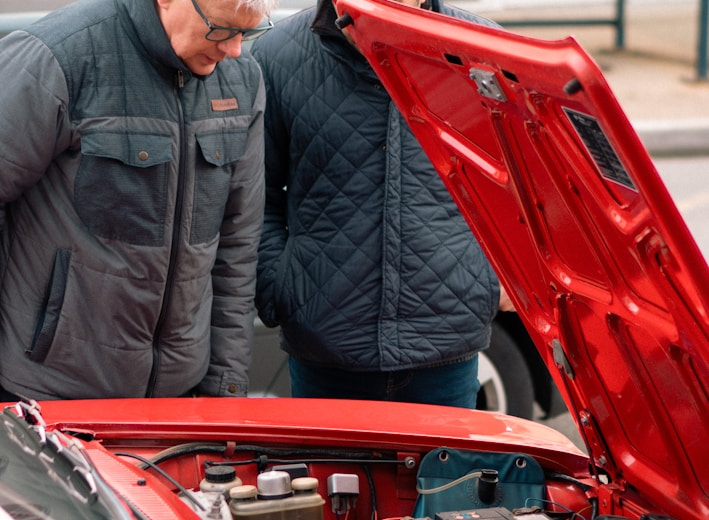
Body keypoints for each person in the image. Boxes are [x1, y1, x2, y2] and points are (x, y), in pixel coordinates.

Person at [0, 0, 278, 402]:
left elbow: (237, 246)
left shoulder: (242, 81)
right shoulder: (59, 56)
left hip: (177, 398)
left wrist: (225, 391)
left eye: (247, 33)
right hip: (50, 394)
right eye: (220, 29)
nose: (234, 49)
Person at [251, 0, 513, 408]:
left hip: (446, 344)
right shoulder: (276, 55)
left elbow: (522, 190)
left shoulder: (485, 53)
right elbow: (256, 197)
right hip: (324, 353)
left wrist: (493, 280)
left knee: (447, 476)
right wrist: (282, 290)